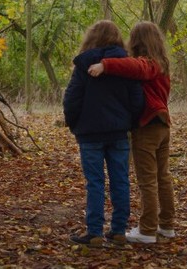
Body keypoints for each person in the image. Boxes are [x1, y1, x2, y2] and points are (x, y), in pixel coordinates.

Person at [88, 21, 176, 244]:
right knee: (162, 177)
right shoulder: (162, 63)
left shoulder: (148, 64)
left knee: (148, 180)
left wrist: (105, 65)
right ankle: (166, 225)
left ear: (137, 41)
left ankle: (147, 230)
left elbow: (136, 67)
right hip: (162, 124)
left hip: (149, 126)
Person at [63, 20, 144, 247]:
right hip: (118, 132)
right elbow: (137, 100)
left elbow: (71, 99)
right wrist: (130, 122)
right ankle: (118, 230)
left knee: (95, 182)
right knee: (120, 180)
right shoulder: (127, 65)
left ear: (91, 38)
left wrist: (74, 124)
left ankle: (95, 232)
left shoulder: (83, 66)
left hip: (89, 134)